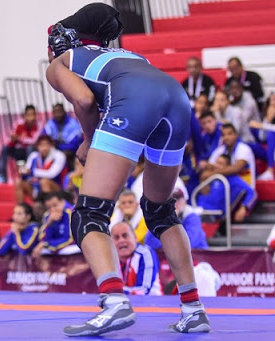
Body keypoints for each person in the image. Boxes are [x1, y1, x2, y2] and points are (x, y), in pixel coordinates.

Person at [45, 3, 210, 336]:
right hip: (175, 97)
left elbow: (85, 101)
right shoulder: (130, 56)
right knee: (161, 212)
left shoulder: (61, 63)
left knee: (89, 214)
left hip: (135, 102)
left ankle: (114, 300)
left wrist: (90, 141)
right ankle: (193, 308)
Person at [111, 222, 161, 295]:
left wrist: (116, 291)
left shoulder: (145, 253)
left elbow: (143, 289)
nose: (121, 240)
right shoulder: (110, 259)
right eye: (116, 237)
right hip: (122, 302)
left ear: (135, 238)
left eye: (125, 236)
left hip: (150, 304)